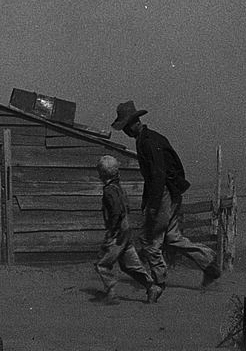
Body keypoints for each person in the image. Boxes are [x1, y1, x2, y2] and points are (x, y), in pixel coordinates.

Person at [111, 101, 220, 302]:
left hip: (163, 194)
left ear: (135, 123)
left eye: (126, 126)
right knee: (172, 237)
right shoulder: (148, 138)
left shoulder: (148, 142)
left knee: (150, 241)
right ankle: (208, 262)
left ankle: (158, 284)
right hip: (168, 192)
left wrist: (152, 206)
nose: (125, 131)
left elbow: (158, 175)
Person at [94, 155, 160, 304]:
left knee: (102, 263)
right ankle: (151, 287)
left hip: (117, 233)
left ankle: (111, 293)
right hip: (126, 231)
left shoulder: (109, 191)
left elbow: (116, 211)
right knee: (130, 265)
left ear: (103, 174)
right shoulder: (120, 188)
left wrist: (112, 230)